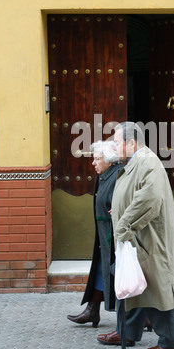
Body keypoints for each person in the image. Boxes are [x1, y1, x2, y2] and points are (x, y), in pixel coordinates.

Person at [97, 121, 174, 349]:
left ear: (131, 143)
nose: (114, 148)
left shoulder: (148, 163)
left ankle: (172, 342)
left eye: (117, 143)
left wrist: (124, 224)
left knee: (155, 290)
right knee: (132, 284)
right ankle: (126, 331)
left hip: (149, 239)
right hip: (136, 238)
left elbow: (148, 199)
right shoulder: (134, 162)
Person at [67, 140, 124, 327]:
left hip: (115, 235)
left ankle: (143, 316)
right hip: (104, 234)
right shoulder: (104, 176)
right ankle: (93, 310)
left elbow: (124, 202)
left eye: (97, 159)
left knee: (121, 274)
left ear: (108, 160)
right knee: (101, 270)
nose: (93, 162)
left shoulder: (118, 175)